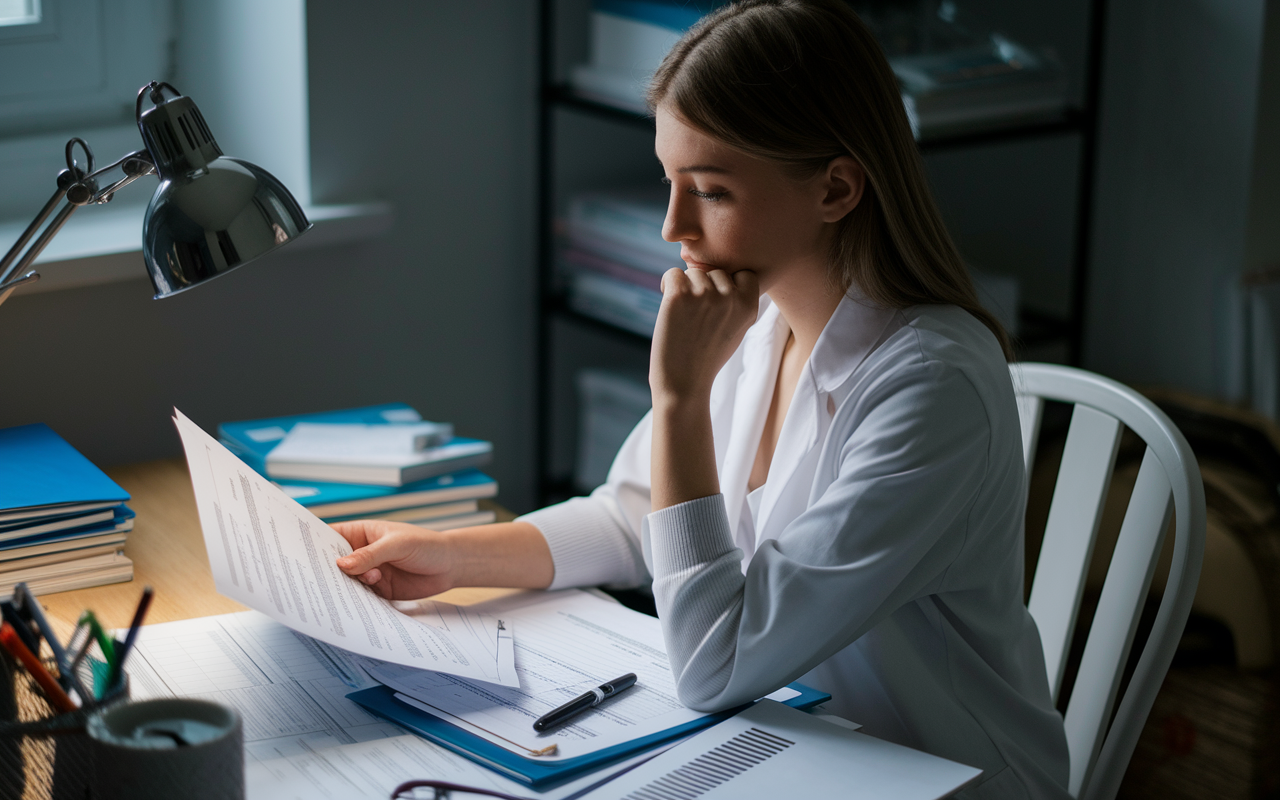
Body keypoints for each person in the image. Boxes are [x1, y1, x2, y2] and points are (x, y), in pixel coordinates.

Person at [333, 1, 1070, 797]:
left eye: (710, 190)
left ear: (836, 189)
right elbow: (632, 518)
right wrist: (452, 557)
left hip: (938, 775)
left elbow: (713, 665)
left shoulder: (931, 389)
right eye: (670, 183)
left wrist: (680, 399)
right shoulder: (760, 329)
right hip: (794, 746)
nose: (672, 226)